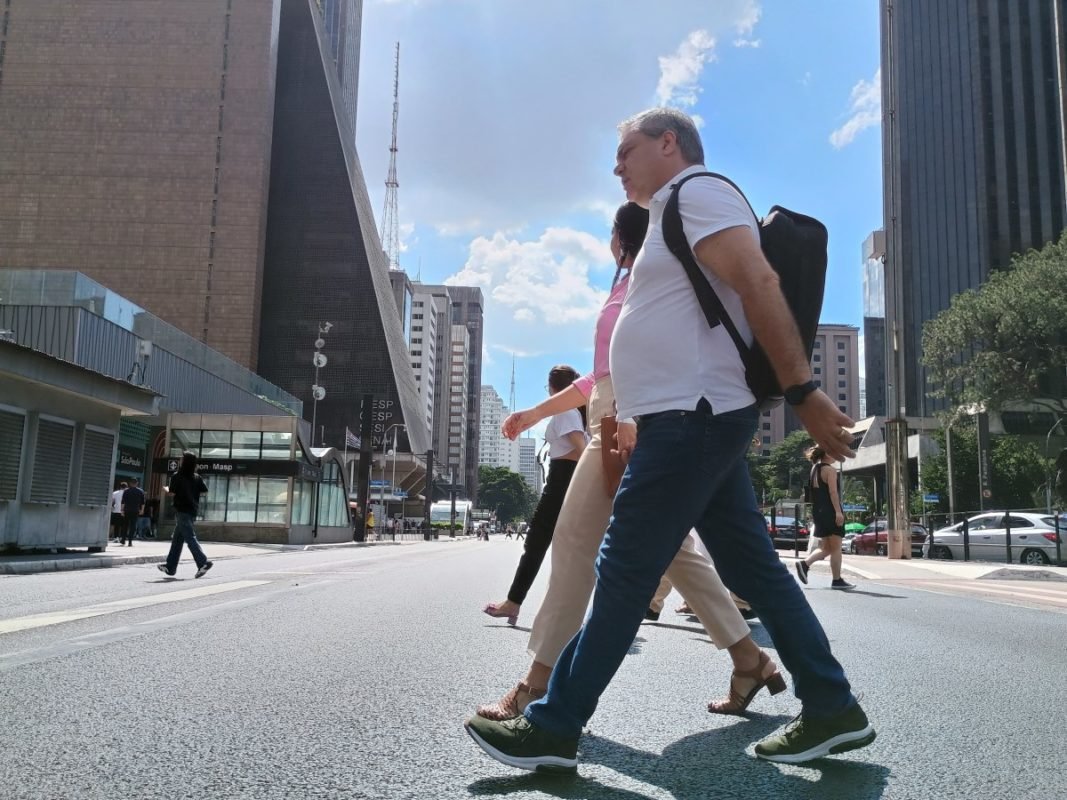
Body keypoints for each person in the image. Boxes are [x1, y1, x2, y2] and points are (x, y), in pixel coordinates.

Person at [465, 107, 873, 772]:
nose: (616, 166)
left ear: (667, 144)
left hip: (695, 416)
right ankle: (831, 707)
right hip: (684, 416)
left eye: (625, 150)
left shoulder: (698, 192)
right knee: (749, 569)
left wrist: (802, 392)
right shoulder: (668, 216)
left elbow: (758, 281)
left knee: (623, 571)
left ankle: (552, 724)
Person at [474, 201, 782, 727]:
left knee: (572, 540)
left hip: (626, 419)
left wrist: (631, 414)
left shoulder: (649, 280)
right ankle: (749, 659)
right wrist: (532, 414)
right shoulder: (629, 285)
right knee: (676, 552)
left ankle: (538, 684)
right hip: (615, 414)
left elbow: (639, 365)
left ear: (620, 239)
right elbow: (595, 376)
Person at [483, 366, 589, 626]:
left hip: (563, 482)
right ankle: (519, 603)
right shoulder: (573, 411)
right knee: (565, 547)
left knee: (538, 544)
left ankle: (514, 602)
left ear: (552, 389)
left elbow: (583, 448)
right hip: (566, 479)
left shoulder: (564, 411)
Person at [796, 446, 854, 590]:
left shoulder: (814, 469)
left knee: (826, 547)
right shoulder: (830, 470)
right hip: (830, 511)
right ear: (827, 453)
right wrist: (838, 512)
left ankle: (805, 564)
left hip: (818, 511)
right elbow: (833, 493)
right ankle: (837, 580)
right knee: (836, 548)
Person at [157, 452, 213, 579]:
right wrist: (192, 494)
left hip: (182, 511)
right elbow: (204, 492)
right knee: (177, 540)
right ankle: (170, 567)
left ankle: (202, 562)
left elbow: (171, 493)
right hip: (192, 511)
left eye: (181, 458)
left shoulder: (177, 476)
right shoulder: (197, 477)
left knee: (190, 537)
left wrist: (165, 488)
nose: (180, 460)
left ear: (185, 461)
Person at [119, 478, 145, 546]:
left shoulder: (126, 491)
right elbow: (142, 503)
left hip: (127, 510)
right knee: (133, 526)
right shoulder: (140, 491)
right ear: (137, 483)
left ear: (130, 483)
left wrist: (122, 510)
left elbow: (123, 502)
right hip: (135, 510)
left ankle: (123, 539)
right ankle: (130, 541)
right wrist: (142, 510)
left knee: (125, 525)